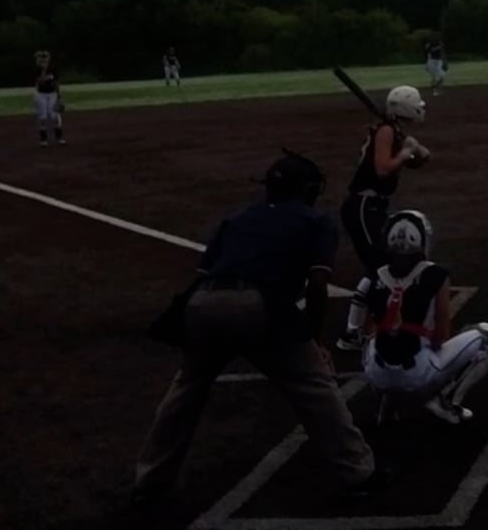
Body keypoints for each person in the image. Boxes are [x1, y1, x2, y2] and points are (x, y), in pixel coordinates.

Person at [132, 150, 386, 506]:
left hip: (202, 303)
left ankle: (150, 481)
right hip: (259, 306)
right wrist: (312, 339)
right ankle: (357, 472)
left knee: (186, 390)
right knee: (314, 387)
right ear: (308, 189)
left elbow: (203, 275)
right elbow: (317, 284)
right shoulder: (316, 221)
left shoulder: (237, 217)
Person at [345, 210, 488, 425]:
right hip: (417, 376)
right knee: (487, 337)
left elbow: (357, 331)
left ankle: (386, 401)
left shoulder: (372, 277)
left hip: (378, 374)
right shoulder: (436, 275)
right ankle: (446, 400)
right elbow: (440, 336)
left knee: (372, 340)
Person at [337, 86, 430, 347]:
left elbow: (417, 161)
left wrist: (417, 151)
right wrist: (405, 151)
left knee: (381, 262)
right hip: (363, 205)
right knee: (378, 264)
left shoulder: (395, 132)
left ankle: (375, 323)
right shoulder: (386, 131)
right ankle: (352, 332)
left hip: (373, 206)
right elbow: (382, 169)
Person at [34, 50, 65, 146]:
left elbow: (56, 83)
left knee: (54, 115)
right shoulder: (37, 69)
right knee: (42, 116)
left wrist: (59, 96)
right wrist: (43, 70)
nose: (44, 60)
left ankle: (59, 138)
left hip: (52, 94)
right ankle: (43, 140)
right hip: (40, 95)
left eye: (46, 58)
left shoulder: (53, 69)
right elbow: (41, 82)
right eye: (43, 58)